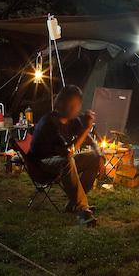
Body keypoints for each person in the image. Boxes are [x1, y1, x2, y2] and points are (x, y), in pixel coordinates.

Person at [28, 85, 103, 226]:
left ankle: (73, 204)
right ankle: (82, 211)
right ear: (59, 103)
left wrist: (99, 156)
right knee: (67, 162)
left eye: (77, 105)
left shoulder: (72, 120)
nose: (74, 109)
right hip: (42, 163)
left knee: (92, 158)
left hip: (61, 159)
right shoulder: (49, 122)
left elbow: (89, 139)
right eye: (71, 105)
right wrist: (86, 129)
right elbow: (67, 153)